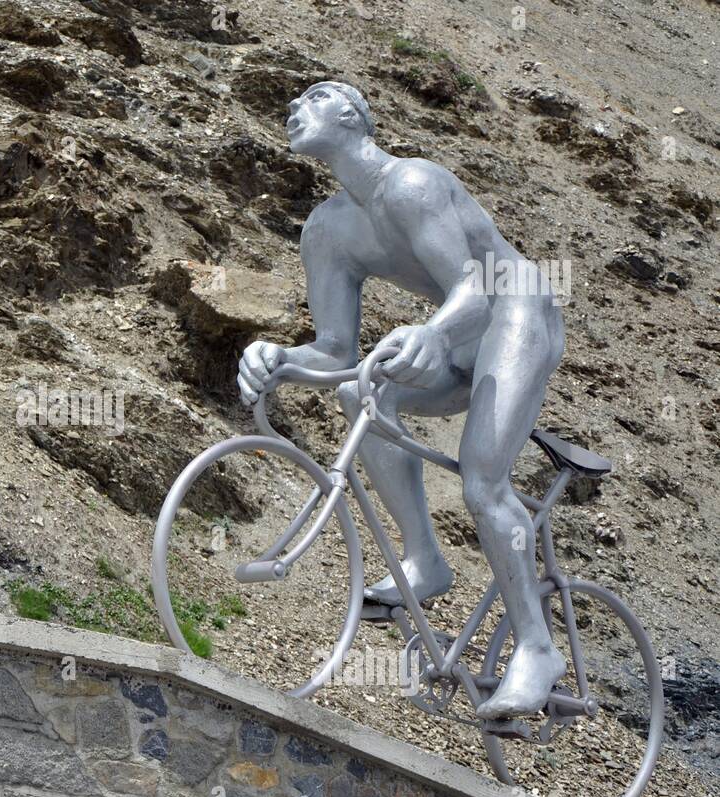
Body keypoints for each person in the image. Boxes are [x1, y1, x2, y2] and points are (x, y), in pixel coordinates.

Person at [237, 82, 565, 719]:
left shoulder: (411, 183)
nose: (292, 109)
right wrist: (279, 358)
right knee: (366, 391)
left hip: (516, 306)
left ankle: (537, 647)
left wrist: (432, 332)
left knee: (483, 484)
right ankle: (424, 558)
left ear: (352, 113)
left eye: (312, 97)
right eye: (290, 105)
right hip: (459, 331)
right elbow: (333, 351)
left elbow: (474, 284)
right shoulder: (328, 229)